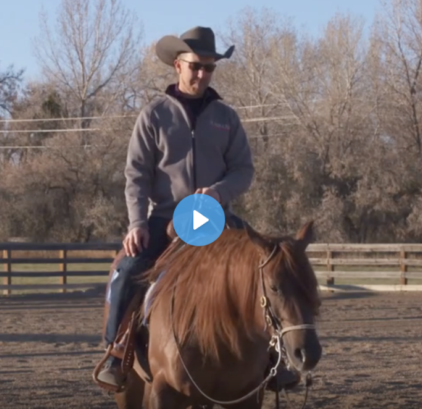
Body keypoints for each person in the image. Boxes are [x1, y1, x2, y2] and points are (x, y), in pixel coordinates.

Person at [96, 26, 300, 392]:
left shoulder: (226, 118)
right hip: (165, 217)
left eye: (209, 68)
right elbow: (136, 174)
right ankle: (117, 349)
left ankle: (274, 357)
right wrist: (137, 223)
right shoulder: (154, 115)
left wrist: (219, 192)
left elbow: (243, 170)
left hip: (215, 216)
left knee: (264, 267)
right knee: (127, 270)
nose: (203, 74)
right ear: (178, 65)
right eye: (196, 66)